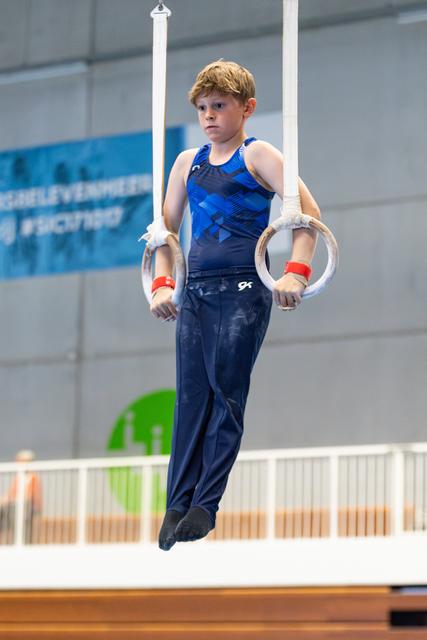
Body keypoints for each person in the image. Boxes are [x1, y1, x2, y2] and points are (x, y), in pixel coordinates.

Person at [149, 60, 321, 550]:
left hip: (245, 289)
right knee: (190, 400)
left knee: (226, 394)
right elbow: (164, 232)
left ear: (246, 108)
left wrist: (296, 271)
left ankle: (206, 504)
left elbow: (308, 216)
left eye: (219, 106)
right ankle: (176, 503)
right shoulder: (187, 163)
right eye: (202, 107)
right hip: (197, 291)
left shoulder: (258, 154)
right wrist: (163, 282)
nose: (208, 116)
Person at [0, 450, 42, 543]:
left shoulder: (33, 477)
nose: (17, 462)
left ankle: (21, 542)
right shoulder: (19, 477)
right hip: (13, 505)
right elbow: (11, 493)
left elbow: (33, 497)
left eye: (20, 460)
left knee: (19, 521)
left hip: (25, 506)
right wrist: (4, 499)